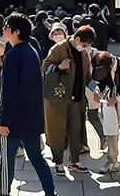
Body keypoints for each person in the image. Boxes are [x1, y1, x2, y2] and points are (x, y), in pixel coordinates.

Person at [0, 13, 55, 196]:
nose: (4, 29)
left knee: (7, 162)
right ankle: (50, 191)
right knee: (37, 158)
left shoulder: (12, 55)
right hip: (32, 116)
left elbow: (8, 91)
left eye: (7, 26)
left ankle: (3, 193)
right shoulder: (32, 51)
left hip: (14, 119)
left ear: (16, 32)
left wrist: (3, 120)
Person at [41, 25, 94, 175]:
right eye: (84, 44)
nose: (85, 48)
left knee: (76, 129)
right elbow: (44, 67)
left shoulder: (84, 54)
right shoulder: (59, 48)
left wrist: (95, 90)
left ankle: (75, 161)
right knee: (56, 130)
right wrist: (59, 67)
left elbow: (87, 76)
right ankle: (58, 162)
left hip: (77, 98)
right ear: (77, 39)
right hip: (58, 98)